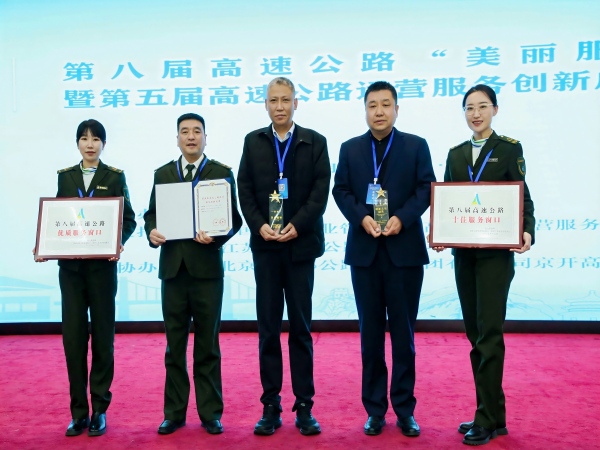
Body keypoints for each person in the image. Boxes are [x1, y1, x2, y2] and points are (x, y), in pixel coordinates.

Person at [332, 81, 435, 438]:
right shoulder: (350, 149)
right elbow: (340, 190)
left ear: (396, 109)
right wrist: (361, 217)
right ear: (365, 110)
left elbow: (426, 188)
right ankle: (375, 410)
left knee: (404, 336)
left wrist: (402, 218)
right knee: (371, 336)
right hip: (365, 253)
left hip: (404, 253)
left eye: (385, 104)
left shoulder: (416, 146)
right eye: (372, 105)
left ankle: (405, 410)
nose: (379, 111)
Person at [434, 84, 535, 446]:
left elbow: (523, 197)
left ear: (495, 109)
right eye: (469, 108)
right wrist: (439, 231)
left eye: (482, 107)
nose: (475, 114)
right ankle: (493, 412)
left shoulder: (508, 149)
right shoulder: (456, 154)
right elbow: (448, 202)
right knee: (475, 335)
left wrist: (527, 230)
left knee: (489, 335)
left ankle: (486, 419)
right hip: (464, 256)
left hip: (495, 257)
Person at [237, 77, 330, 436]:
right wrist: (259, 225)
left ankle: (304, 406)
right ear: (266, 104)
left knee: (301, 330)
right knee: (268, 329)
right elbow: (245, 189)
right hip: (266, 248)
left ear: (295, 103)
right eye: (273, 100)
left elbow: (320, 192)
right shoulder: (253, 141)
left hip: (300, 247)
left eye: (285, 100)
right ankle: (270, 405)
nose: (279, 106)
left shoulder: (314, 141)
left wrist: (297, 225)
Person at [35, 119, 136, 437]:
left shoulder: (115, 177)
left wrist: (118, 241)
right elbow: (57, 221)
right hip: (71, 273)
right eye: (84, 139)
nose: (90, 144)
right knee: (74, 340)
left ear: (104, 144)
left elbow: (129, 219)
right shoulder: (65, 177)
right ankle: (78, 413)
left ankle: (100, 410)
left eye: (96, 139)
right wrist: (45, 244)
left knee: (103, 339)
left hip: (103, 270)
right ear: (77, 143)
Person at [143, 113, 242, 436]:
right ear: (177, 138)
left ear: (205, 138)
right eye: (184, 132)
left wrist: (217, 236)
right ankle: (173, 413)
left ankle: (210, 412)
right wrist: (152, 232)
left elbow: (235, 219)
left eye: (196, 131)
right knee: (174, 347)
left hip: (207, 272)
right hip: (173, 272)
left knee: (208, 345)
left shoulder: (220, 173)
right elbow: (151, 215)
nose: (190, 137)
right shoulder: (163, 174)